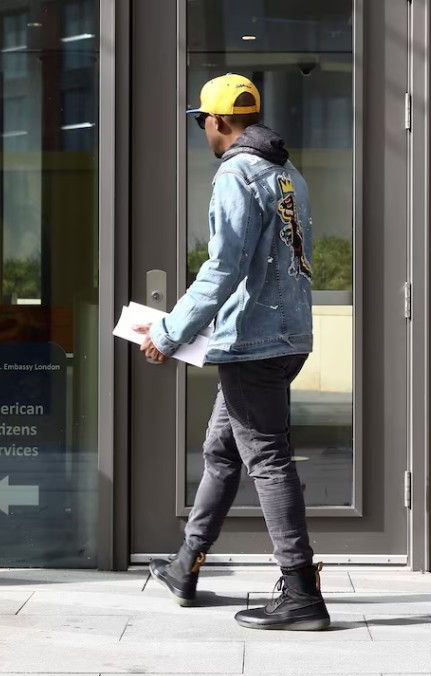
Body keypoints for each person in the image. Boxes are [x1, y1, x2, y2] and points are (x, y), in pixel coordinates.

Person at [131, 73, 329, 631]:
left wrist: (169, 332)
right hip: (288, 334)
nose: (203, 130)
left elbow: (225, 265)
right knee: (221, 451)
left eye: (202, 121)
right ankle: (186, 565)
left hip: (254, 342)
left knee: (267, 459)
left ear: (217, 121)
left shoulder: (236, 173)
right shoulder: (288, 174)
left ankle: (300, 593)